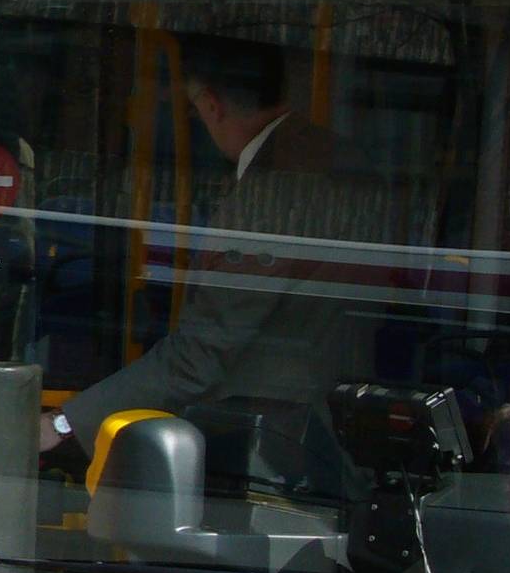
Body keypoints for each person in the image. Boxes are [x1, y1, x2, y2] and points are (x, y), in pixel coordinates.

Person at [39, 35, 374, 474]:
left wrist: (65, 423)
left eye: (195, 110)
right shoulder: (334, 158)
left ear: (212, 105)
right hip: (332, 424)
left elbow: (200, 357)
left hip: (270, 444)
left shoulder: (270, 193)